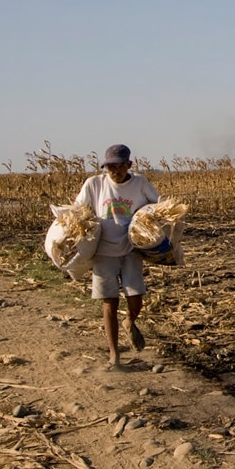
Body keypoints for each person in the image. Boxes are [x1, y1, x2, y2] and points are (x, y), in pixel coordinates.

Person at [75, 144, 159, 370]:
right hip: (104, 252)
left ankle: (130, 320)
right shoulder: (94, 184)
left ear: (129, 165)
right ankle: (114, 355)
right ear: (105, 167)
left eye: (120, 166)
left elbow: (157, 207)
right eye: (110, 167)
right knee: (109, 302)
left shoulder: (140, 183)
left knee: (136, 298)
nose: (115, 171)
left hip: (131, 248)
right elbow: (78, 211)